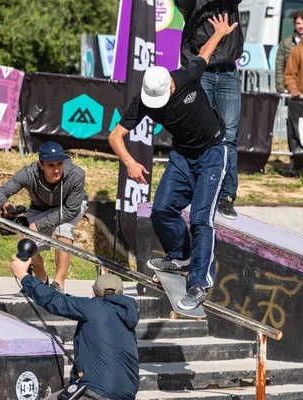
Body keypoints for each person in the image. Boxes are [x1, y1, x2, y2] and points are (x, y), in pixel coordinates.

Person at [108, 14, 237, 311]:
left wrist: (219, 32)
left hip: (214, 153)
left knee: (201, 218)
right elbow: (115, 136)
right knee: (162, 209)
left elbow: (204, 54)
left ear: (169, 86)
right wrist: (129, 162)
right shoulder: (143, 99)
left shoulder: (186, 76)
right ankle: (180, 255)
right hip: (182, 155)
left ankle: (199, 282)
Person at [9, 257, 139, 400]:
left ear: (93, 294)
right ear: (120, 295)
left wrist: (23, 276)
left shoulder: (91, 307)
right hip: (127, 394)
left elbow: (53, 300)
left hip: (97, 392)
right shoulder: (128, 317)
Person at [175, 0, 243, 220]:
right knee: (200, 132)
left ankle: (226, 196)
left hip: (228, 72)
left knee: (229, 136)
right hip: (200, 71)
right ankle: (197, 189)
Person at [0, 142, 87, 293]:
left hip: (69, 207)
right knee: (26, 241)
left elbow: (70, 211)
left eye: (60, 164)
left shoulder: (76, 174)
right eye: (51, 165)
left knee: (64, 231)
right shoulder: (28, 173)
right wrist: (5, 205)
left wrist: (38, 224)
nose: (56, 169)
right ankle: (41, 280)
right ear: (41, 165)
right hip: (41, 207)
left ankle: (58, 284)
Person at [275, 9, 303, 94]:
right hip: (290, 88)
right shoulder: (286, 43)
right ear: (294, 24)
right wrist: (281, 88)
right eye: (298, 23)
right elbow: (279, 66)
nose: (301, 26)